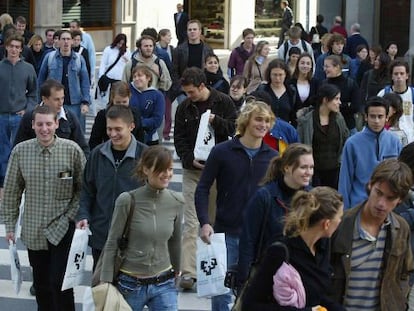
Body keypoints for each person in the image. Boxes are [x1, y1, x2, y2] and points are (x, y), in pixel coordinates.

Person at [195, 100, 278, 311]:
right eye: (258, 119)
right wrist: (205, 222)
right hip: (226, 234)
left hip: (259, 239)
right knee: (222, 297)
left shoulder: (273, 158)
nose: (263, 124)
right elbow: (202, 188)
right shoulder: (222, 151)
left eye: (267, 121)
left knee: (251, 297)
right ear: (246, 121)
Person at [1, 105, 86, 311]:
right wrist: (10, 226)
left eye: (49, 123)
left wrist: (72, 217)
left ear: (57, 124)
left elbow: (83, 189)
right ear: (32, 125)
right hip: (34, 229)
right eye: (40, 124)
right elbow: (12, 191)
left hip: (63, 226)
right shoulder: (21, 152)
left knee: (61, 283)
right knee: (41, 284)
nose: (44, 128)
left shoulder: (71, 150)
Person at [174, 67, 237, 290]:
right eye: (186, 92)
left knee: (212, 220)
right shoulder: (183, 108)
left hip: (219, 171)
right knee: (191, 221)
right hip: (194, 171)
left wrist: (216, 121)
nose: (188, 96)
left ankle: (214, 267)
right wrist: (189, 158)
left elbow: (235, 128)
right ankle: (189, 272)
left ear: (202, 87)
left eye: (191, 92)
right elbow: (179, 138)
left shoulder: (224, 102)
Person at [99, 145, 184, 310]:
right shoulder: (127, 200)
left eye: (170, 169)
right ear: (146, 169)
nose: (167, 174)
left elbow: (175, 241)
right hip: (129, 283)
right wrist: (106, 279)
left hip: (164, 282)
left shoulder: (176, 201)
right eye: (161, 169)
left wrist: (178, 270)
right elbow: (112, 241)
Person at [242, 187, 345, 311]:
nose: (340, 222)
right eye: (339, 217)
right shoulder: (280, 251)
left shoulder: (322, 247)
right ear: (326, 224)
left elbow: (316, 294)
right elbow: (251, 305)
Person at [330, 159, 413, 310]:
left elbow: (404, 273)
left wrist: (400, 302)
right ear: (370, 185)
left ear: (399, 200)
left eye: (390, 198)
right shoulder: (342, 224)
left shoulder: (401, 228)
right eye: (378, 193)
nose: (381, 203)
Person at [76, 105, 147, 268]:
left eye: (118, 129)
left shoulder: (145, 156)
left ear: (131, 126)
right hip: (101, 235)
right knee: (100, 288)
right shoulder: (97, 154)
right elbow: (87, 190)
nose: (113, 134)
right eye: (109, 129)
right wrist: (83, 215)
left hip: (134, 237)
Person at [238, 143, 314, 283]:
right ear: (287, 167)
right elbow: (248, 240)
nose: (308, 172)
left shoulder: (312, 197)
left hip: (300, 275)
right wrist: (243, 279)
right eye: (303, 167)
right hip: (267, 275)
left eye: (311, 167)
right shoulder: (264, 196)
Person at [338, 96, 402, 209]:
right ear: (366, 117)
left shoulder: (395, 142)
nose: (376, 121)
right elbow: (345, 181)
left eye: (380, 116)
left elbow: (400, 178)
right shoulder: (352, 143)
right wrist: (344, 212)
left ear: (387, 117)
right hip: (359, 207)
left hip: (387, 207)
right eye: (372, 116)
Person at [0, 33, 37, 201]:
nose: (14, 49)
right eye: (11, 46)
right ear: (6, 47)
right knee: (2, 152)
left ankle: (19, 183)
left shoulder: (28, 68)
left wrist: (27, 110)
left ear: (21, 49)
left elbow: (34, 93)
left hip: (18, 117)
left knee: (18, 151)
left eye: (17, 47)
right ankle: (4, 185)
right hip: (1, 116)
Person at [14, 79, 89, 156]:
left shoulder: (70, 117)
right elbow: (18, 146)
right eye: (56, 99)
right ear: (44, 99)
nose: (61, 103)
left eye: (62, 98)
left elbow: (83, 147)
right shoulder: (30, 117)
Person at [297, 84, 349, 188]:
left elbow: (345, 139)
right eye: (336, 99)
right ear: (325, 100)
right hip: (313, 172)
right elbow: (301, 145)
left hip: (335, 170)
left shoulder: (339, 119)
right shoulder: (307, 121)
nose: (339, 102)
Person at [38, 29, 91, 132]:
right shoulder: (49, 58)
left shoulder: (79, 59)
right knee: (53, 131)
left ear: (72, 41)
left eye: (68, 39)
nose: (66, 42)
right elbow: (40, 81)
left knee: (76, 132)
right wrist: (39, 101)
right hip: (52, 103)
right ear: (58, 42)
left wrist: (85, 102)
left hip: (74, 103)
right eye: (63, 39)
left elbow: (85, 82)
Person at [89, 81, 145, 150]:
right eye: (118, 102)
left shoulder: (135, 113)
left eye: (124, 102)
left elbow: (140, 137)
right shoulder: (103, 115)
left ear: (129, 98)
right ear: (112, 99)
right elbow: (94, 140)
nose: (121, 105)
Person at [322, 55, 361, 133]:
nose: (324, 69)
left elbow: (355, 107)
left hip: (348, 126)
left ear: (337, 67)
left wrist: (332, 106)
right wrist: (346, 105)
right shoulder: (324, 84)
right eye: (324, 66)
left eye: (327, 66)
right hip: (328, 127)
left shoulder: (350, 84)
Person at [378, 60, 414, 143]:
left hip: (410, 138)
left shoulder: (412, 94)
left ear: (407, 76)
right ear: (391, 76)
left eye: (402, 73)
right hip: (387, 138)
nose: (399, 76)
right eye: (396, 73)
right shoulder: (383, 93)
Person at [129, 65, 165, 145]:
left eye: (140, 75)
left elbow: (157, 119)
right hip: (129, 137)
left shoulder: (157, 95)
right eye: (134, 76)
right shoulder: (128, 91)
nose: (136, 79)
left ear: (148, 78)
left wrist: (139, 123)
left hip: (149, 138)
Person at [257, 59, 297, 124]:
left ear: (285, 75)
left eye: (280, 75)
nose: (277, 78)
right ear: (269, 75)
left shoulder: (291, 91)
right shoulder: (263, 90)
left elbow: (293, 115)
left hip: (284, 130)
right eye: (274, 75)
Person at [157, 28, 175, 140]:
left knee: (168, 110)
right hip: (157, 84)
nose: (170, 37)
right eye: (168, 35)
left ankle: (166, 132)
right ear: (162, 37)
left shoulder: (172, 50)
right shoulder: (155, 49)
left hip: (168, 84)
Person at [69, 19, 96, 84]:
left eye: (73, 27)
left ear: (78, 27)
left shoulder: (86, 37)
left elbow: (91, 54)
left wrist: (92, 71)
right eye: (70, 27)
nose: (71, 29)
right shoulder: (68, 37)